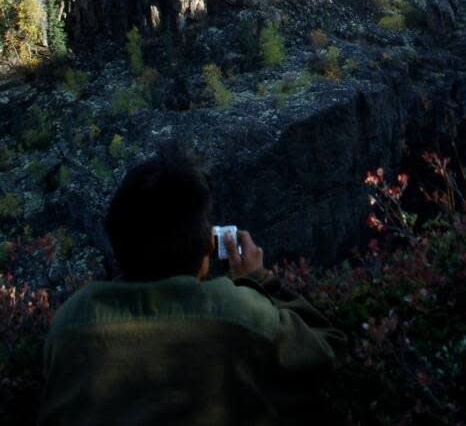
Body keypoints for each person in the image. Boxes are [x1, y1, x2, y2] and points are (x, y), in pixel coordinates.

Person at [38, 145, 346, 426]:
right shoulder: (237, 311)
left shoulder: (73, 318)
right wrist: (259, 281)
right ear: (207, 250)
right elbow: (328, 349)